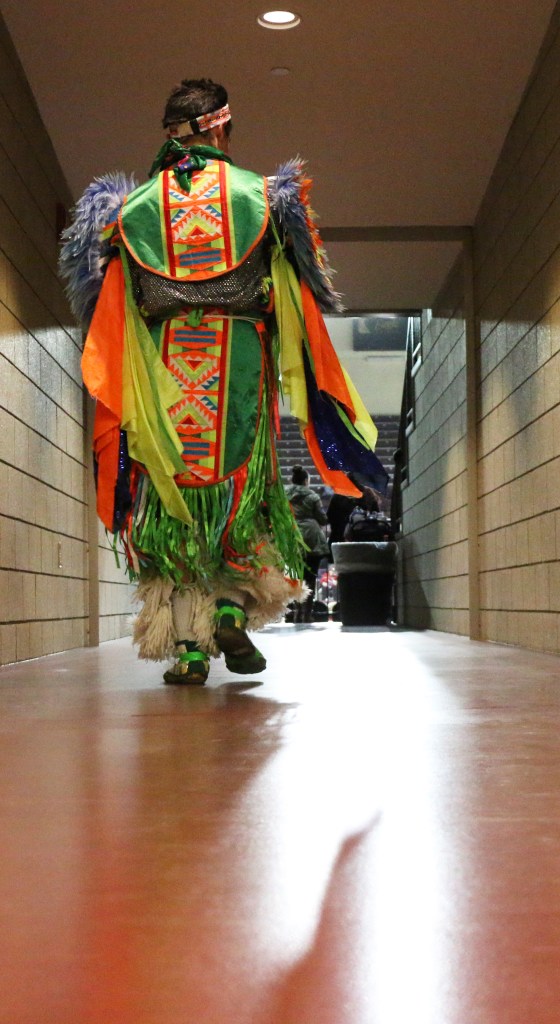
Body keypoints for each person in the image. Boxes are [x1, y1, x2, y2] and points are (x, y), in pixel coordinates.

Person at [61, 77, 388, 685]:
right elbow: (303, 292)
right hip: (237, 365)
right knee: (243, 502)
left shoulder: (127, 211)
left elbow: (103, 303)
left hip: (161, 375)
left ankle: (189, 649)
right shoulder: (263, 197)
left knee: (173, 510)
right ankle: (234, 608)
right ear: (220, 127)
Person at [285, 466, 329, 622]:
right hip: (311, 539)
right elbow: (323, 519)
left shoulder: (284, 495)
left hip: (292, 536)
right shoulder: (312, 496)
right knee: (310, 577)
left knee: (294, 577)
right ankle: (306, 613)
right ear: (306, 481)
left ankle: (296, 612)